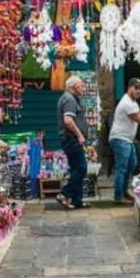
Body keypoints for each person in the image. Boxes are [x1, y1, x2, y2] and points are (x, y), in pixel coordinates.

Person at [57, 75, 89, 209]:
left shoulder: (69, 98)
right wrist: (80, 135)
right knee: (82, 168)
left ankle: (77, 200)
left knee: (76, 169)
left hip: (71, 139)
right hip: (72, 139)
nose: (83, 88)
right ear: (74, 86)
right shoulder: (69, 99)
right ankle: (64, 193)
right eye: (81, 85)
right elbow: (68, 120)